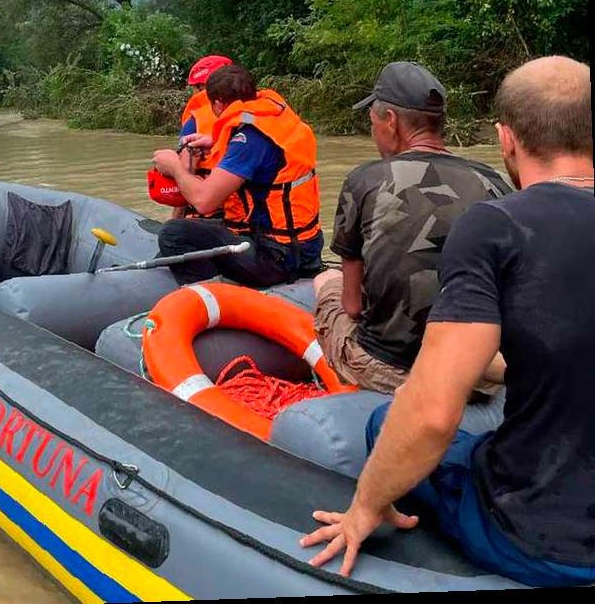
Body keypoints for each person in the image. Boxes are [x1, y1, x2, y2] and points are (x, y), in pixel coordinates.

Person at [300, 55, 595, 587]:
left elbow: (432, 415)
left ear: (506, 139)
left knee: (384, 417)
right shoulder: (492, 188)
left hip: (542, 538)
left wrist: (365, 507)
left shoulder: (496, 227)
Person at [313, 61, 513, 395]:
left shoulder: (364, 180)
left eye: (373, 122)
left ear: (390, 121)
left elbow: (352, 306)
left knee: (325, 281)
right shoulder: (495, 180)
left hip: (391, 368)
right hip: (479, 372)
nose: (373, 132)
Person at [152, 64, 324, 287]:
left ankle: (213, 297)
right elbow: (262, 155)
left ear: (217, 104)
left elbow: (204, 202)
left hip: (277, 257)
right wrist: (214, 142)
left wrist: (174, 166)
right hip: (303, 248)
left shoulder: (249, 141)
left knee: (173, 234)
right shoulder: (271, 119)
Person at [172, 55, 233, 219]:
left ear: (200, 87)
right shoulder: (247, 112)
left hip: (208, 211)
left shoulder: (195, 120)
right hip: (244, 212)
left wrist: (173, 221)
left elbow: (184, 171)